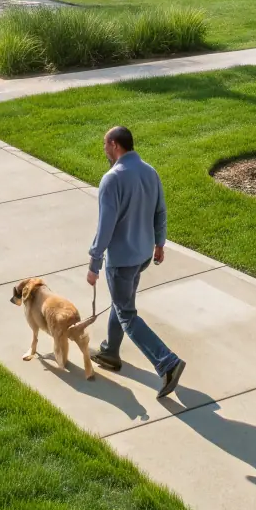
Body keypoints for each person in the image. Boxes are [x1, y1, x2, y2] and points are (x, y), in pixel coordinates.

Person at [87, 126, 186, 399]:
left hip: (121, 260)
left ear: (115, 145)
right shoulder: (150, 171)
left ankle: (168, 363)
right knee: (122, 304)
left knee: (127, 315)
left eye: (105, 144)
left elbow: (105, 227)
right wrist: (160, 243)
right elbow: (160, 211)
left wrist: (94, 264)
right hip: (143, 255)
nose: (104, 149)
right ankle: (110, 352)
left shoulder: (112, 179)